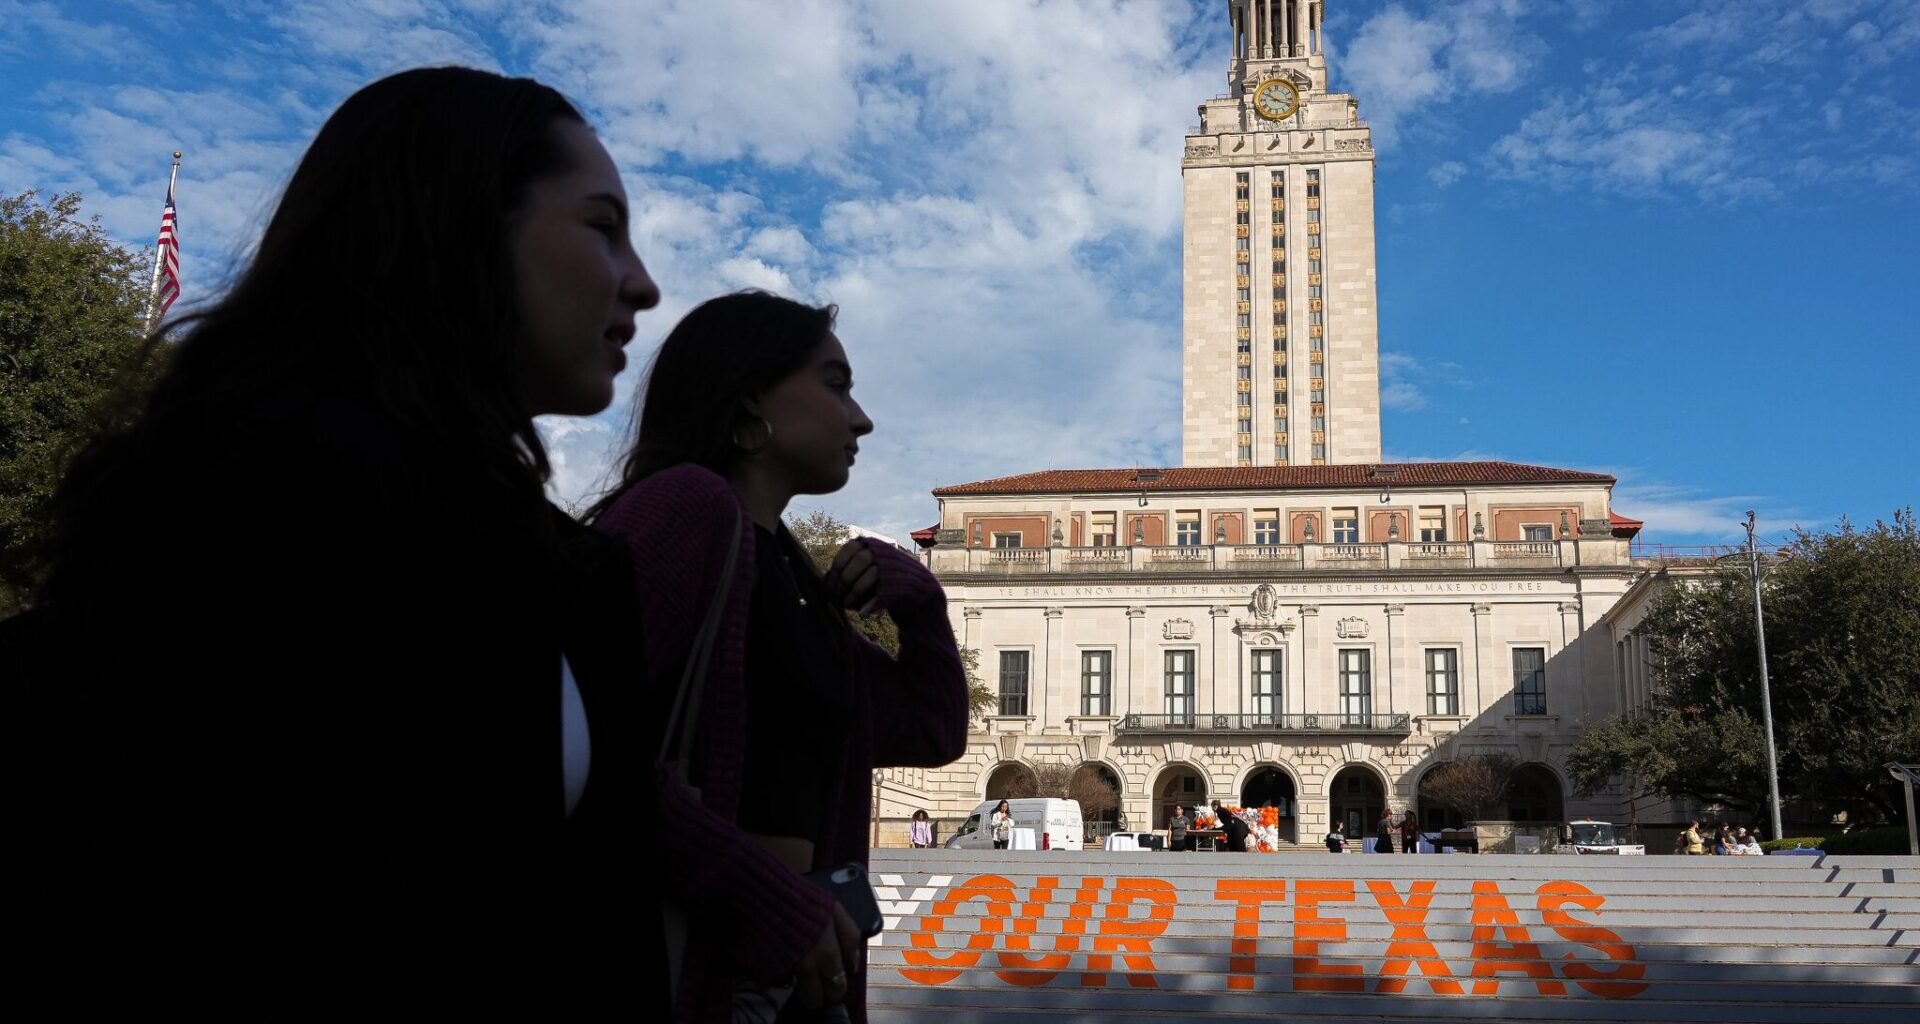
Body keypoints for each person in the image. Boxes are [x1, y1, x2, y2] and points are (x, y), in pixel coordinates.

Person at [5, 67, 660, 1017]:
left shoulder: (573, 572)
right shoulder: (216, 542)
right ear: (458, 223)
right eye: (603, 227)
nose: (641, 281)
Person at [589, 289, 969, 1023]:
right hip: (703, 969)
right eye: (835, 384)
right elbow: (589, 758)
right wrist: (758, 892)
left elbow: (931, 732)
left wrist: (922, 605)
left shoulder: (801, 583)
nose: (861, 417)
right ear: (749, 399)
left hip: (794, 971)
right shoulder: (685, 511)